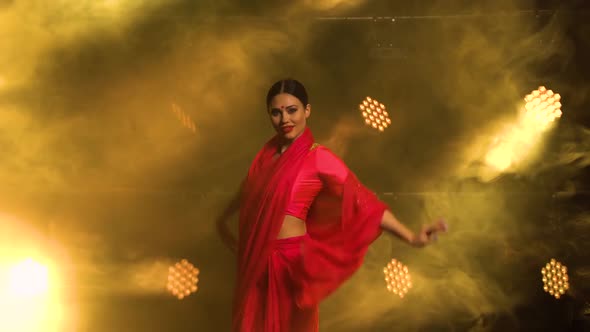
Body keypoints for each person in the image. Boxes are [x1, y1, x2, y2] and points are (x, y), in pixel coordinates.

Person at [216, 78, 448, 332]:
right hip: (257, 262)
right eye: (276, 112)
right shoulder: (264, 158)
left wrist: (411, 237)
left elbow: (364, 203)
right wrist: (222, 219)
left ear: (307, 111)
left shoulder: (318, 158)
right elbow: (249, 189)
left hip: (290, 268)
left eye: (292, 110)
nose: (285, 120)